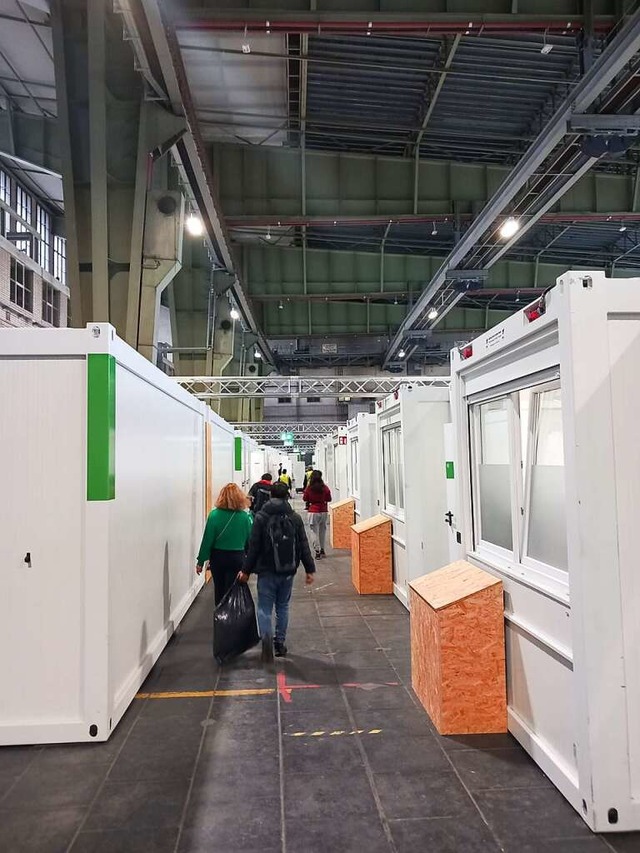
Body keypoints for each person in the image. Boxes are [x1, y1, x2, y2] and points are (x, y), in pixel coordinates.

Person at [239, 482, 315, 661]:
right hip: (288, 570)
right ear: (287, 495)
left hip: (266, 571)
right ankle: (279, 643)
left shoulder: (261, 517)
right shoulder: (294, 517)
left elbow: (254, 547)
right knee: (283, 606)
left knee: (264, 607)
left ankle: (265, 639)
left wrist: (246, 570)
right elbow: (303, 544)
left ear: (270, 496)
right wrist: (309, 569)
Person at [196, 483, 253, 606]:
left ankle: (220, 618)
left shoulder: (214, 515)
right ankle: (234, 618)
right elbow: (250, 541)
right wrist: (250, 563)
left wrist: (200, 561)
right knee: (235, 590)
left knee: (219, 590)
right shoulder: (245, 517)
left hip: (218, 558)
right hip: (238, 557)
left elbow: (207, 540)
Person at [303, 470, 332, 559]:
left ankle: (317, 551)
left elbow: (305, 498)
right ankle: (323, 549)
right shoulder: (325, 488)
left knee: (313, 531)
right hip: (323, 511)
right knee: (322, 531)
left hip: (313, 511)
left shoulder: (309, 488)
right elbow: (329, 499)